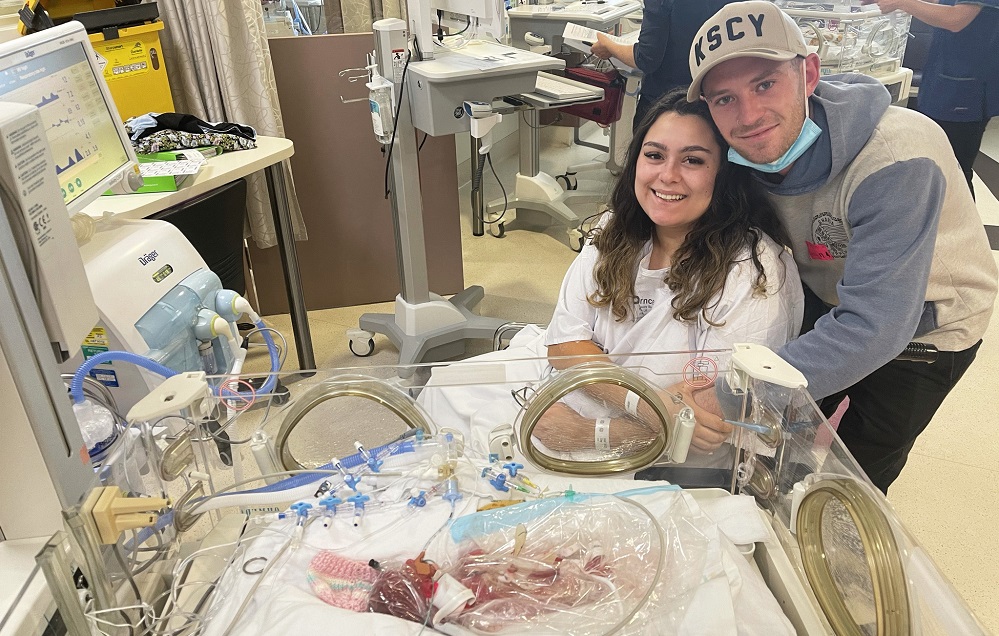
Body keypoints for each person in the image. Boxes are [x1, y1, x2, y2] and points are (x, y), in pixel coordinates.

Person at [684, 0, 998, 492]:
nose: (748, 115)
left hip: (928, 326)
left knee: (851, 476)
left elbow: (876, 326)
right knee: (783, 441)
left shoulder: (895, 160)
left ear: (809, 73)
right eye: (724, 99)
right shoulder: (742, 153)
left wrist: (728, 393)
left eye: (765, 84)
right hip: (830, 293)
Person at [419, 89, 803, 459]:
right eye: (654, 155)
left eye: (693, 160)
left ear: (725, 174)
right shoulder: (615, 231)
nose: (667, 175)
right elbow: (565, 346)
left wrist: (589, 434)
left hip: (658, 448)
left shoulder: (752, 274)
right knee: (445, 390)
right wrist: (646, 403)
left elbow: (708, 424)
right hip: (599, 396)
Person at [864, 0, 999, 198]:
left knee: (956, 169)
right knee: (936, 163)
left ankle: (964, 226)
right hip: (945, 82)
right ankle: (935, 222)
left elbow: (956, 19)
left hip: (965, 91)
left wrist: (903, 3)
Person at [590, 0, 735, 129]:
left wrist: (609, 47)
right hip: (719, 98)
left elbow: (646, 58)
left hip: (666, 102)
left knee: (658, 156)